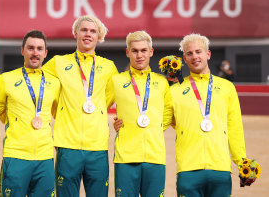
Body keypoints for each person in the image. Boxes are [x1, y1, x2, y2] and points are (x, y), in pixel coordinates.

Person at [42, 15, 118, 197]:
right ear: (75, 33)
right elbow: (43, 92)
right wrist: (61, 110)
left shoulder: (109, 67)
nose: (88, 34)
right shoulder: (57, 63)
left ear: (99, 36)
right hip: (67, 146)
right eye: (83, 30)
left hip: (98, 147)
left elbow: (107, 99)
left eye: (93, 31)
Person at [169, 33, 248, 196]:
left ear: (208, 54)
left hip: (220, 169)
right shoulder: (173, 91)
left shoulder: (227, 87)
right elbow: (158, 122)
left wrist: (241, 162)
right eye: (189, 53)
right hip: (188, 169)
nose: (194, 56)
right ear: (184, 58)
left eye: (198, 52)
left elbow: (235, 128)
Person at [0, 30, 60, 197]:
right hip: (15, 156)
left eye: (39, 49)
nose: (35, 53)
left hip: (45, 158)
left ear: (45, 53)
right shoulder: (5, 79)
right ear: (22, 51)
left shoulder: (54, 83)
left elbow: (61, 113)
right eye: (30, 48)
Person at [111, 30, 172, 197]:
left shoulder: (162, 82)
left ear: (151, 52)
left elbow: (169, 111)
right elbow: (98, 105)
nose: (139, 55)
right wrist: (113, 123)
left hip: (155, 157)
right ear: (128, 52)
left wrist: (156, 127)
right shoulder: (116, 80)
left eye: (144, 50)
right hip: (125, 158)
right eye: (135, 50)